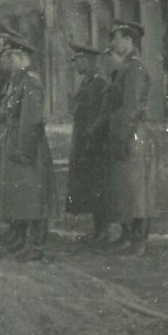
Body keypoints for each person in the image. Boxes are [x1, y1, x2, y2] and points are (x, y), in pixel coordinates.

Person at [0, 40, 57, 261]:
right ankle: (24, 240)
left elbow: (30, 120)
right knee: (23, 194)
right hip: (17, 143)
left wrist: (25, 151)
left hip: (29, 146)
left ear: (21, 56)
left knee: (34, 196)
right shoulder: (18, 81)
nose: (7, 61)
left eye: (10, 56)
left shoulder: (31, 82)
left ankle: (36, 244)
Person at [105, 20, 160, 257]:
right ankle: (128, 236)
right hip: (128, 131)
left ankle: (139, 240)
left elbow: (131, 106)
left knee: (138, 189)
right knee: (128, 187)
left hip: (134, 132)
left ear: (128, 40)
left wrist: (122, 136)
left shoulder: (135, 68)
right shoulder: (126, 67)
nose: (112, 43)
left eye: (115, 38)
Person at [65, 42, 113, 245]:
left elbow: (98, 117)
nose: (74, 65)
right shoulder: (88, 82)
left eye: (77, 61)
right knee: (91, 187)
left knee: (98, 187)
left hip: (94, 144)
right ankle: (97, 230)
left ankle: (103, 232)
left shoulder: (99, 84)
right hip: (84, 141)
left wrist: (89, 144)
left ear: (87, 61)